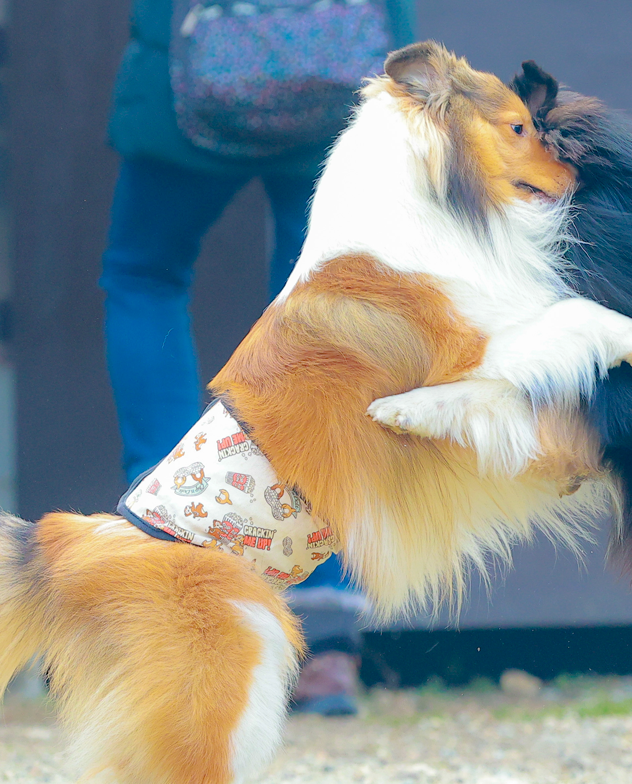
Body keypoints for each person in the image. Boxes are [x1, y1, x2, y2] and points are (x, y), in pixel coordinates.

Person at [100, 0, 416, 715]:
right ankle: (319, 635)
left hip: (190, 81)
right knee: (311, 318)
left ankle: (168, 560)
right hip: (346, 77)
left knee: (144, 277)